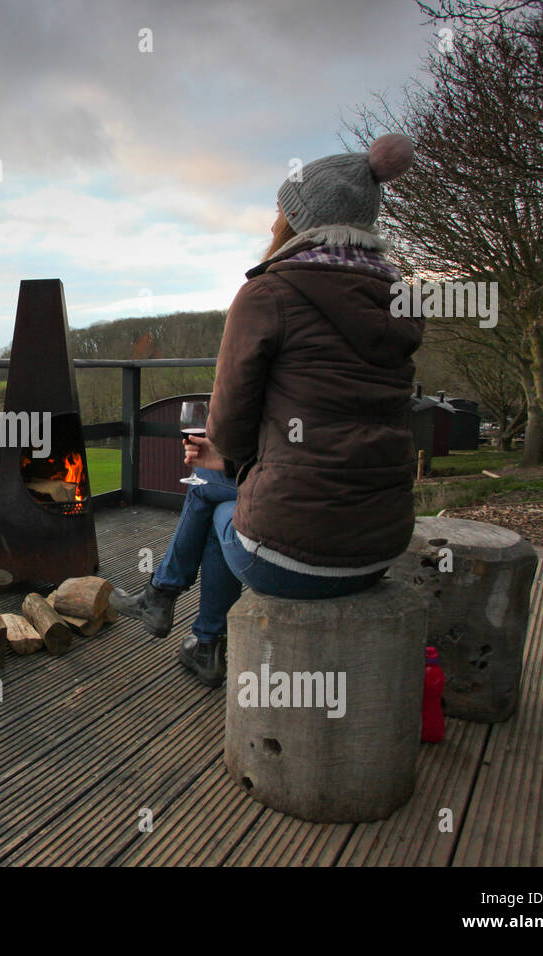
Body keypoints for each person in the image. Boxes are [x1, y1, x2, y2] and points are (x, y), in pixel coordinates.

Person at [110, 133, 424, 687]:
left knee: (211, 495)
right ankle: (188, 627)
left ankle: (179, 614)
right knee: (221, 490)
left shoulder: (268, 294)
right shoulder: (400, 299)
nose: (271, 222)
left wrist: (222, 455)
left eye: (279, 210)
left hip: (297, 561)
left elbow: (229, 427)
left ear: (297, 220)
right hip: (378, 547)